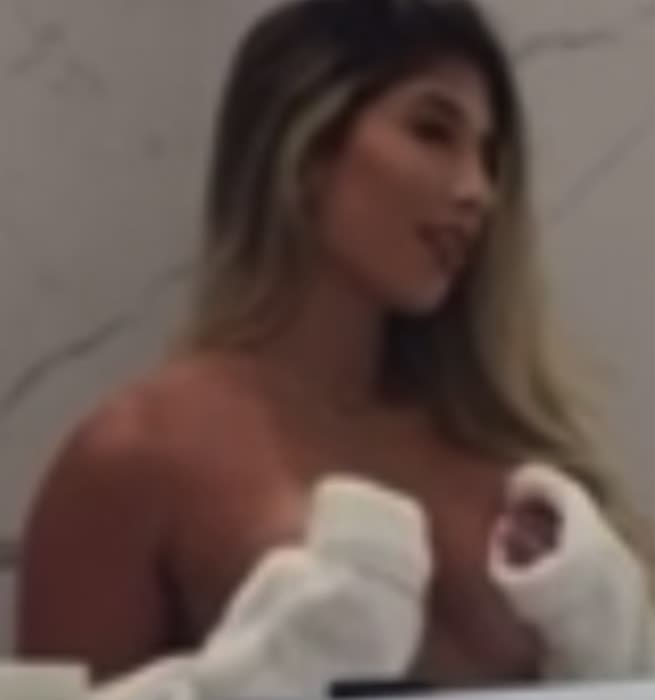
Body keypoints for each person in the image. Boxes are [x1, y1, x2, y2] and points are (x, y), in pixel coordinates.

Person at [15, 0, 655, 692]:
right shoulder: (136, 455)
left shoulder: (523, 467)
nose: (477, 191)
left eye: (488, 156)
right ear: (306, 147)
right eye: (432, 130)